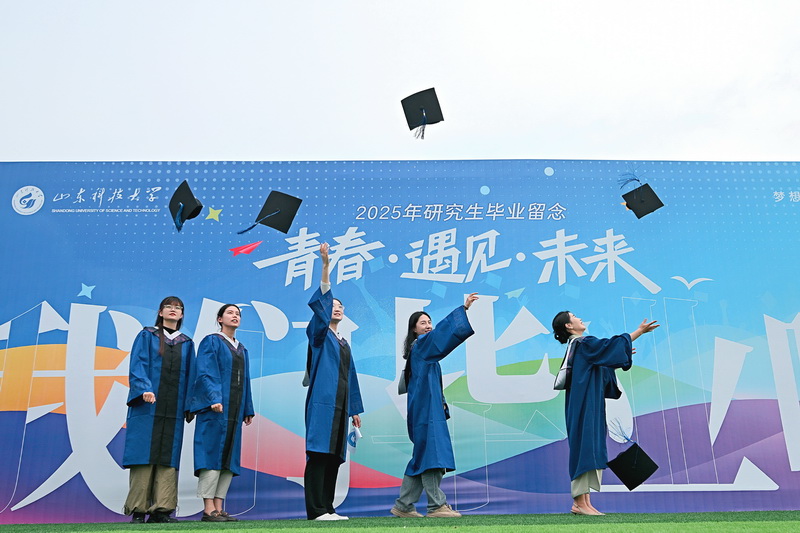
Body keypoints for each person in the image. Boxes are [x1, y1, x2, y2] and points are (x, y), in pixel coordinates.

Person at [551, 311, 658, 516]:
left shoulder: (579, 347)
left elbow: (601, 362)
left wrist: (615, 358)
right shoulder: (583, 343)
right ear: (568, 326)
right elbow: (610, 347)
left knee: (590, 447)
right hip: (584, 404)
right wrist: (639, 332)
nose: (579, 318)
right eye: (573, 316)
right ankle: (578, 502)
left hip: (587, 403)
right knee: (584, 448)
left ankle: (585, 502)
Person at [390, 292, 479, 519]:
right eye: (423, 323)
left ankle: (404, 505)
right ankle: (436, 505)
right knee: (433, 455)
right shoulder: (421, 346)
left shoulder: (420, 351)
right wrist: (464, 309)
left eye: (430, 322)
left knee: (422, 457)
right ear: (414, 330)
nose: (429, 326)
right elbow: (442, 335)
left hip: (426, 410)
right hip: (426, 411)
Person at [303, 242, 364, 521]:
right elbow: (322, 302)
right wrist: (326, 266)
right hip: (323, 404)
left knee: (334, 458)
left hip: (341, 407)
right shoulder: (319, 335)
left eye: (340, 306)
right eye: (332, 305)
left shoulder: (343, 343)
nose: (336, 308)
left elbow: (351, 377)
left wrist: (354, 410)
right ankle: (316, 510)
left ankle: (328, 508)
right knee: (319, 454)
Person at [122, 296, 195, 524]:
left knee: (168, 458)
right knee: (144, 456)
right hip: (148, 406)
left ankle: (162, 510)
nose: (173, 310)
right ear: (160, 312)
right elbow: (138, 364)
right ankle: (138, 510)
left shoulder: (186, 343)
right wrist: (144, 388)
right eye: (169, 307)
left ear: (181, 315)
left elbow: (191, 376)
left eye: (178, 308)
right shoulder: (147, 335)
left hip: (173, 409)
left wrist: (190, 405)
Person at [189, 304, 255, 522]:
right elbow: (205, 372)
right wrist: (214, 398)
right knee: (212, 453)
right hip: (215, 409)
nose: (235, 316)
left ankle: (219, 506)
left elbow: (246, 380)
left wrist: (247, 408)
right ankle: (208, 508)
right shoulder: (212, 341)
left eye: (238, 314)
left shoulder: (241, 348)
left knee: (228, 457)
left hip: (234, 410)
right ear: (219, 319)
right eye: (230, 313)